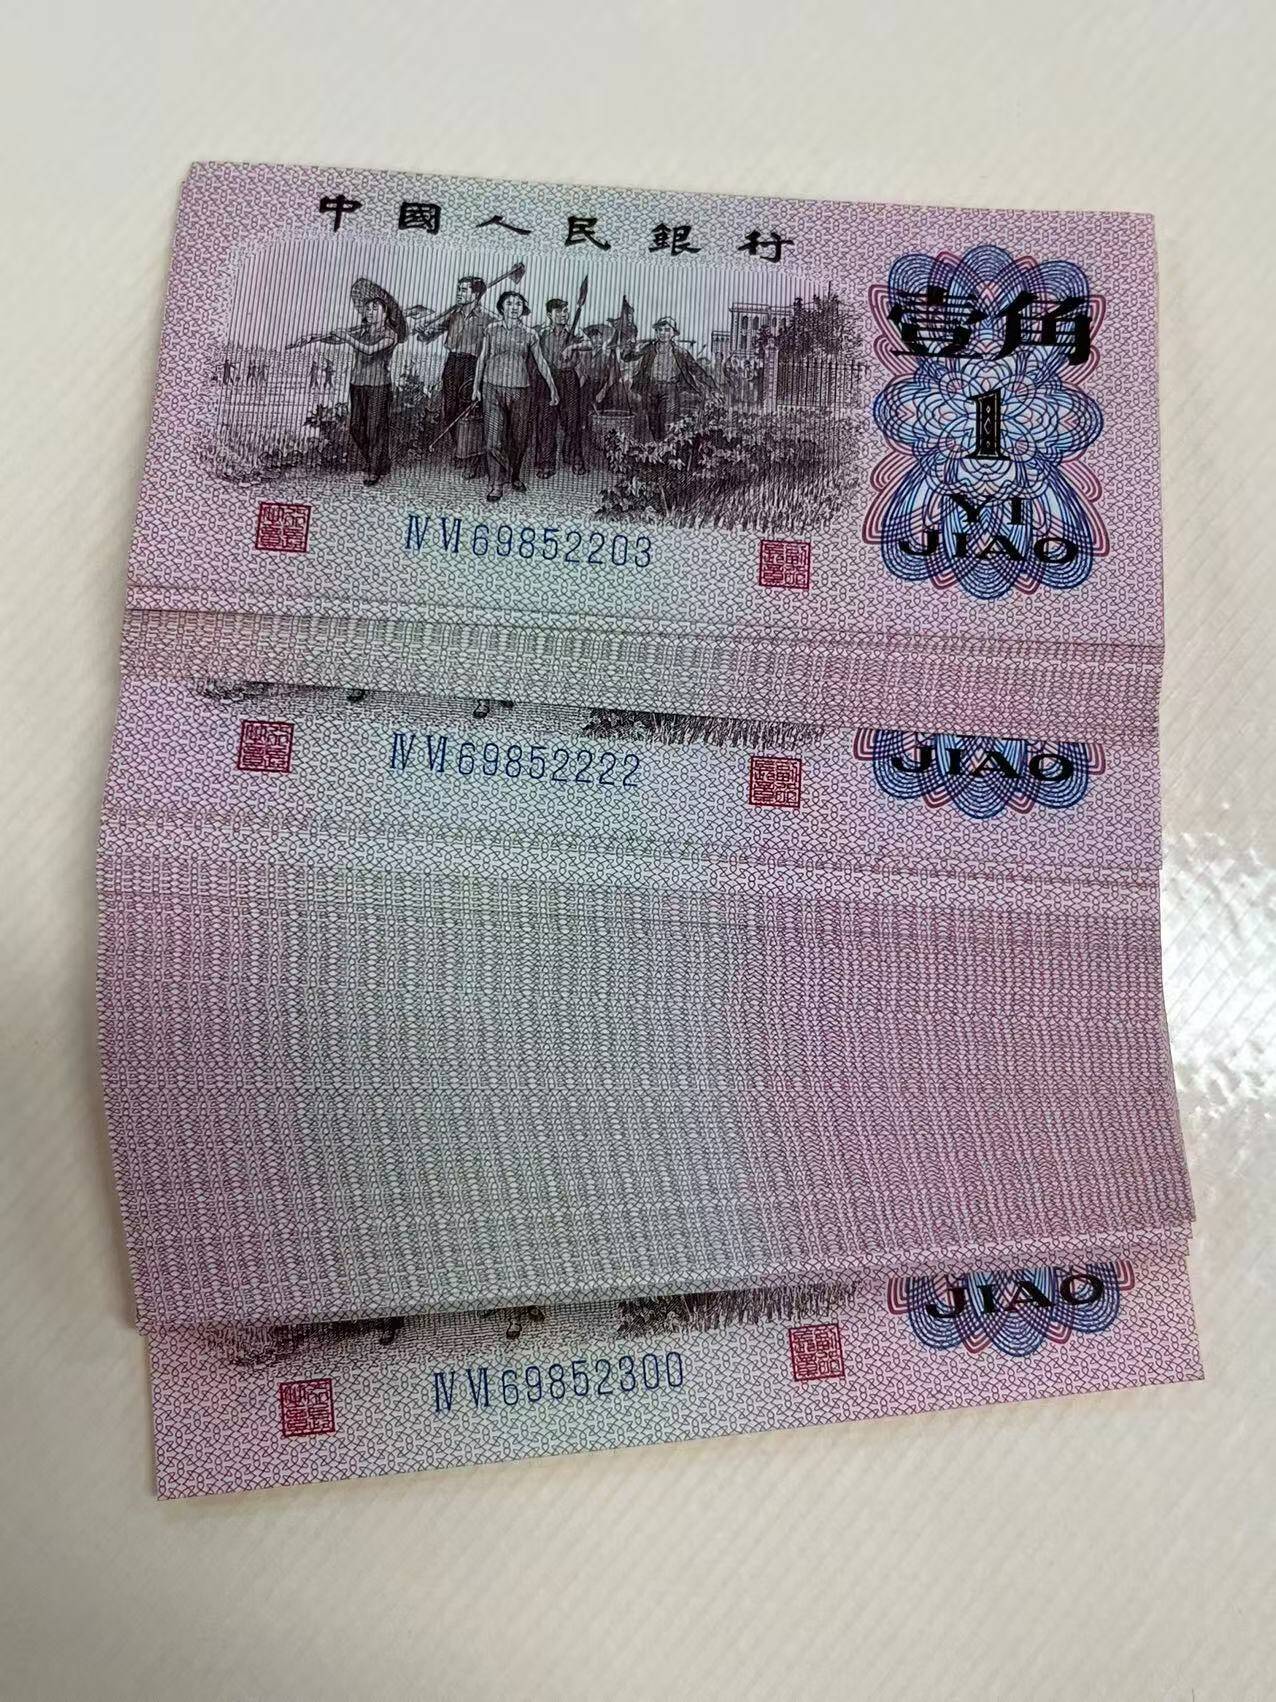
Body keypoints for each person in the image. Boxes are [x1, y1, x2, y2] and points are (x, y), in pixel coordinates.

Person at [290, 279, 407, 486]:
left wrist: (346, 337)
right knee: (356, 428)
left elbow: (369, 350)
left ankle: (374, 469)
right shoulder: (361, 330)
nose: (370, 312)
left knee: (375, 428)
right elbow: (335, 338)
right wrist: (313, 338)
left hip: (379, 386)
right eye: (367, 308)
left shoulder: (391, 334)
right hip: (357, 383)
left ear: (385, 313)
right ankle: (379, 461)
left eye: (375, 308)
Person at [472, 291, 558, 502]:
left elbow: (541, 363)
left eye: (518, 304)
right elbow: (482, 358)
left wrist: (553, 388)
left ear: (523, 308)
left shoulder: (530, 334)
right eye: (509, 303)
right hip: (492, 389)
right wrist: (476, 387)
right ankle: (496, 484)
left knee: (519, 439)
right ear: (501, 307)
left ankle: (515, 474)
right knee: (493, 441)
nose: (514, 307)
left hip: (521, 391)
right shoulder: (491, 329)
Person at [407, 275, 491, 479]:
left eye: (464, 290)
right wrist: (422, 330)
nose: (459, 293)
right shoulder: (453, 314)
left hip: (474, 365)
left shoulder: (488, 318)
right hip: (452, 363)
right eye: (458, 289)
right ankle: (460, 450)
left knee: (471, 412)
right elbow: (428, 336)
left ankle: (474, 459)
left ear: (476, 294)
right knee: (451, 409)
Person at [620, 317, 712, 441]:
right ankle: (658, 447)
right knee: (653, 423)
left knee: (668, 422)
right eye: (660, 330)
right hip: (650, 389)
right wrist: (629, 345)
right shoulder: (648, 348)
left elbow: (697, 370)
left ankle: (666, 448)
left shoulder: (680, 352)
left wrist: (713, 387)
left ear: (673, 333)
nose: (663, 333)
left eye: (667, 330)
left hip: (670, 390)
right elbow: (627, 357)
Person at [533, 298, 585, 477]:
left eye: (565, 311)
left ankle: (573, 457)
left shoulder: (574, 330)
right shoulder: (541, 332)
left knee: (572, 420)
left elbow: (589, 344)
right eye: (559, 311)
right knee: (546, 421)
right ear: (549, 314)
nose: (564, 315)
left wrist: (572, 347)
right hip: (547, 378)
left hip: (568, 377)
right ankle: (546, 462)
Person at [563, 323, 612, 467]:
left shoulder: (609, 354)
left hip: (603, 389)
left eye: (599, 337)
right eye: (593, 338)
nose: (597, 340)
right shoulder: (584, 354)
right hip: (587, 388)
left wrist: (602, 392)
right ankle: (575, 454)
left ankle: (604, 457)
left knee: (601, 424)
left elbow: (612, 377)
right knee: (580, 422)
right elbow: (581, 373)